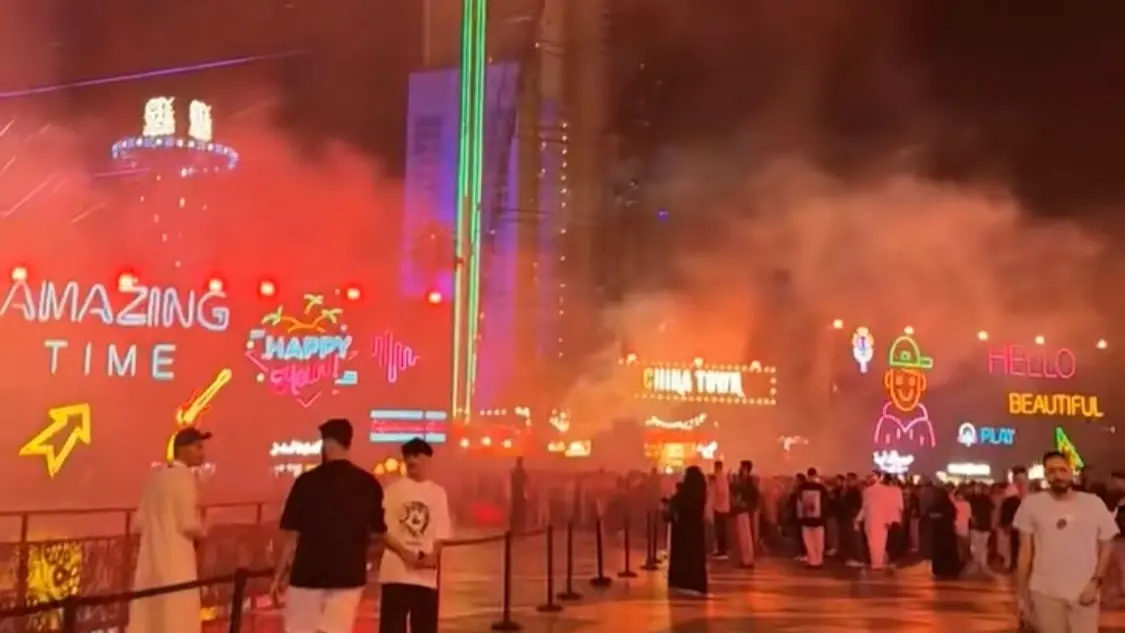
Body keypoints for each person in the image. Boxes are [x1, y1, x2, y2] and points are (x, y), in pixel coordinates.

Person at [271, 419, 385, 633]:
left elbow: (291, 537)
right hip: (349, 576)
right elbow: (378, 534)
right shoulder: (368, 484)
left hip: (307, 575)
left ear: (327, 443)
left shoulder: (306, 482)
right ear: (348, 443)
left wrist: (278, 576)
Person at [1014, 450, 1118, 633]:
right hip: (1045, 593)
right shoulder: (1031, 505)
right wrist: (1022, 595)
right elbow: (1025, 552)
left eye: (1062, 470)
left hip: (1084, 592)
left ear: (1071, 471)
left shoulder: (1093, 503)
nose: (1057, 475)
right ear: (1046, 475)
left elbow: (1107, 544)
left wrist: (1096, 581)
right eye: (1051, 471)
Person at [128, 428, 209, 633]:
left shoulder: (156, 476)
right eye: (198, 447)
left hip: (151, 560)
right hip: (177, 561)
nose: (203, 453)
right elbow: (187, 523)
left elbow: (139, 521)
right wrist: (204, 530)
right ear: (183, 449)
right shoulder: (184, 478)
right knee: (178, 616)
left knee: (151, 617)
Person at [379, 438, 452, 633]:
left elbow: (441, 532)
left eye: (417, 456)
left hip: (425, 578)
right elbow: (382, 530)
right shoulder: (392, 491)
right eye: (408, 457)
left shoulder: (438, 493)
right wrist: (404, 553)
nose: (412, 461)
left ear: (428, 459)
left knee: (424, 627)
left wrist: (432, 556)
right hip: (395, 575)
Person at [668, 466, 708, 596]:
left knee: (686, 556)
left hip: (685, 529)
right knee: (695, 558)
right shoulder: (700, 490)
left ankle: (685, 581)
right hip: (695, 529)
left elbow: (681, 503)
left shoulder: (688, 492)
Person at [858, 472, 903, 571]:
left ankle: (876, 562)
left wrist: (858, 519)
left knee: (873, 543)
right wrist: (890, 519)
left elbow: (864, 507)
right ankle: (878, 562)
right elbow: (893, 507)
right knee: (880, 542)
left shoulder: (867, 491)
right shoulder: (889, 491)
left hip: (871, 520)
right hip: (882, 520)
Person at [796, 468, 829, 568]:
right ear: (815, 475)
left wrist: (800, 516)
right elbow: (826, 502)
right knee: (819, 541)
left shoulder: (802, 488)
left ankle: (812, 561)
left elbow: (799, 502)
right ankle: (819, 560)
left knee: (808, 541)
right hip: (819, 519)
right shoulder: (821, 488)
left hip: (806, 519)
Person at [928, 485, 962, 579]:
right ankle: (949, 570)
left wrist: (938, 516)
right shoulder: (948, 504)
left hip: (940, 532)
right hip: (947, 532)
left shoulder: (937, 504)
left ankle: (941, 570)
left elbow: (931, 514)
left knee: (940, 552)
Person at [731, 460, 758, 568]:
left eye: (742, 467)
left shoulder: (748, 483)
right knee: (742, 537)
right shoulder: (742, 482)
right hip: (741, 511)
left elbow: (753, 497)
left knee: (746, 536)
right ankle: (745, 559)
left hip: (745, 512)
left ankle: (748, 560)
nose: (740, 469)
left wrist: (746, 504)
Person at [710, 461, 731, 559]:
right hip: (722, 508)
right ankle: (720, 550)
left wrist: (715, 503)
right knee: (720, 530)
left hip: (720, 508)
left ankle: (722, 551)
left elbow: (721, 492)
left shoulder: (719, 477)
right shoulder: (722, 477)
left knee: (721, 530)